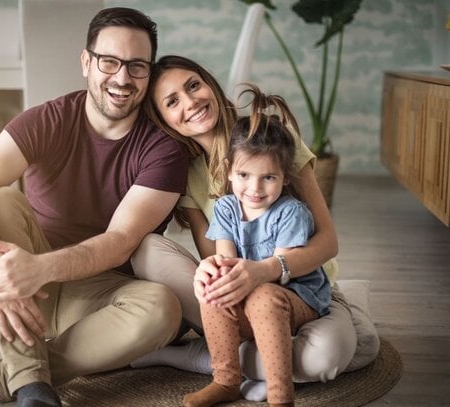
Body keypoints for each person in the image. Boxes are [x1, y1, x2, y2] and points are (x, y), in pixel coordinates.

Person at [0, 8, 189, 407]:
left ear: (149, 72)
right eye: (110, 62)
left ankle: (0, 379)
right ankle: (35, 391)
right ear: (86, 62)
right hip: (31, 286)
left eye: (137, 66)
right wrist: (0, 278)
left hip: (100, 293)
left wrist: (37, 269)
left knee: (163, 307)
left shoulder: (163, 148)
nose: (122, 78)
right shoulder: (49, 119)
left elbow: (121, 240)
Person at [130, 55, 377, 401]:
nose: (191, 102)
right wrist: (209, 272)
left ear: (210, 84)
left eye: (193, 86)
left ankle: (195, 357)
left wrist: (264, 270)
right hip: (240, 295)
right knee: (147, 251)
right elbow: (216, 256)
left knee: (324, 359)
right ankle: (235, 365)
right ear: (164, 119)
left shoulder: (273, 140)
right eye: (173, 101)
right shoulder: (186, 173)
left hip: (301, 288)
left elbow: (328, 241)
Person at [184, 85, 332, 407]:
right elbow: (225, 258)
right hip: (251, 290)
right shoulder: (225, 207)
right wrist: (215, 274)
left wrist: (244, 281)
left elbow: (279, 272)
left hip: (295, 294)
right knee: (214, 290)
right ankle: (225, 381)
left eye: (268, 178)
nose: (255, 188)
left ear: (285, 178)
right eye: (245, 175)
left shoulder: (290, 212)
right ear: (230, 173)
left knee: (263, 297)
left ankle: (281, 397)